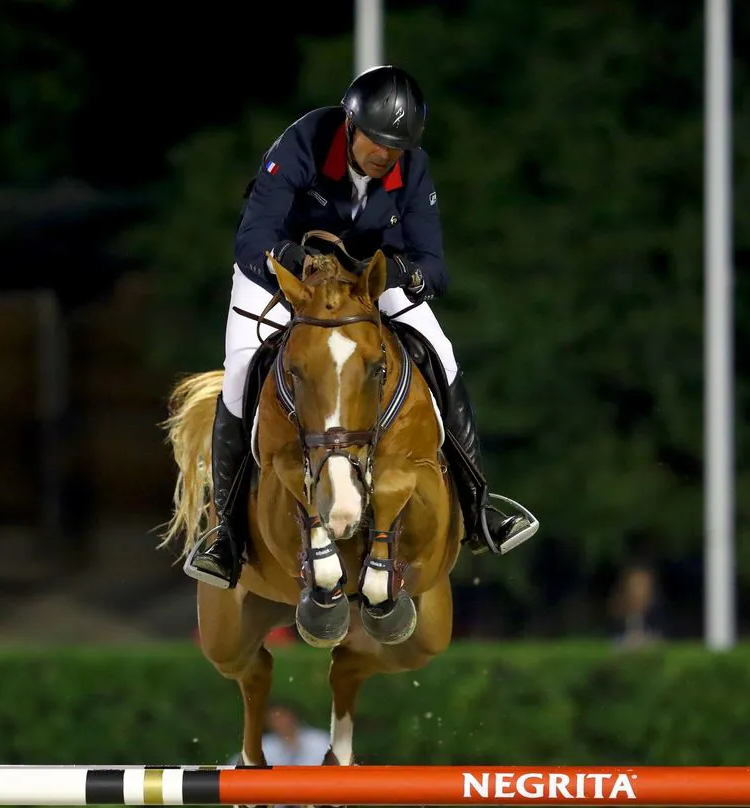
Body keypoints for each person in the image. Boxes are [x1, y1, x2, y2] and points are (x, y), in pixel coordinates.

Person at [186, 65, 537, 588]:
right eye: (376, 140)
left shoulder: (413, 169)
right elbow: (251, 237)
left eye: (397, 146)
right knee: (240, 374)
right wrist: (295, 260)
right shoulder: (302, 143)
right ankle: (227, 534)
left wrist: (399, 274)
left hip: (366, 281)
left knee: (442, 355)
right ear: (350, 125)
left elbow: (434, 267)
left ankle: (479, 505)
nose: (385, 155)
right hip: (283, 275)